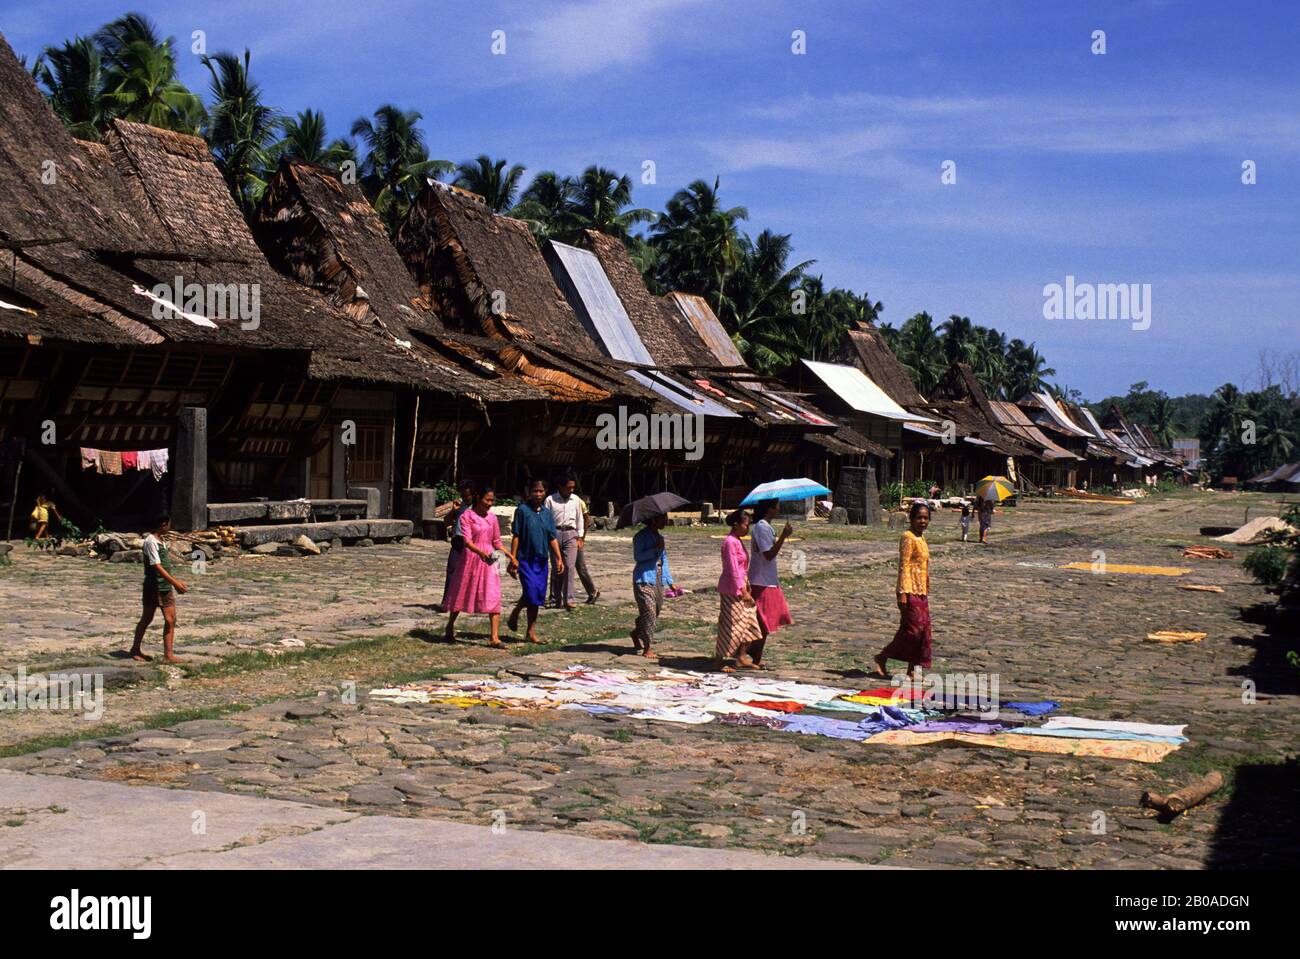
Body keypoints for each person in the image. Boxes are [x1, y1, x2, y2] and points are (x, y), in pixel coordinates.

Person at [443, 487, 516, 648]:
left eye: (492, 500)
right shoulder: (467, 516)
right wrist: (480, 552)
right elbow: (467, 541)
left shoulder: (492, 518)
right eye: (487, 500)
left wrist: (510, 556)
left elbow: (496, 542)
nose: (490, 504)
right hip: (471, 558)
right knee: (462, 591)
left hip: (490, 559)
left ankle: (494, 637)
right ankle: (450, 626)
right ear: (478, 498)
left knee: (493, 592)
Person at [873, 502, 932, 679]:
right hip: (909, 588)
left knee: (923, 631)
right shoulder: (908, 537)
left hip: (921, 590)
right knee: (912, 631)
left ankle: (913, 669)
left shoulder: (922, 538)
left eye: (926, 518)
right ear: (912, 519)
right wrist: (902, 592)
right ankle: (883, 656)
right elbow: (904, 565)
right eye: (919, 517)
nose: (922, 521)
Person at [507, 479, 564, 644]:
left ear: (545, 492)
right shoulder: (522, 511)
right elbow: (516, 535)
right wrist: (513, 558)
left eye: (541, 491)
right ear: (529, 492)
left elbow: (551, 537)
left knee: (537, 597)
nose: (538, 494)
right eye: (535, 491)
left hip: (542, 560)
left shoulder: (547, 513)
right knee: (531, 591)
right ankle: (517, 611)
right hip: (526, 559)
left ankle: (530, 631)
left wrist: (558, 558)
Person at [128, 514, 188, 664]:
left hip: (165, 587)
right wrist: (175, 582)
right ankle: (135, 649)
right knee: (147, 618)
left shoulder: (162, 541)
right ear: (163, 524)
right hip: (153, 586)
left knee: (171, 619)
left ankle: (169, 654)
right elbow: (156, 565)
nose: (170, 528)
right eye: (169, 524)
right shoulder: (150, 542)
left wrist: (172, 583)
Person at [713, 508, 762, 672]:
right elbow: (733, 569)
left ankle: (741, 656)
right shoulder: (729, 542)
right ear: (736, 525)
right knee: (731, 625)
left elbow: (742, 568)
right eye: (745, 524)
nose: (747, 528)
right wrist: (743, 590)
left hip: (742, 586)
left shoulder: (737, 540)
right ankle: (719, 659)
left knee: (749, 621)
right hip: (732, 589)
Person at [747, 499, 794, 668]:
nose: (779, 508)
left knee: (765, 620)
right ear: (771, 508)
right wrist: (783, 536)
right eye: (777, 505)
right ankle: (753, 652)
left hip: (767, 578)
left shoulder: (766, 527)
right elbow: (768, 555)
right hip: (761, 579)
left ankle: (755, 652)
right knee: (763, 621)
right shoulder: (762, 527)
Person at [630, 512, 668, 657]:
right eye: (662, 518)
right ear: (653, 520)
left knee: (655, 610)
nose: (665, 521)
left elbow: (664, 559)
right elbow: (638, 556)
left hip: (657, 578)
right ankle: (647, 646)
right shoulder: (640, 537)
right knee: (649, 612)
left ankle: (637, 632)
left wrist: (669, 581)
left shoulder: (660, 538)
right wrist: (654, 549)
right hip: (643, 578)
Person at [545, 474, 584, 610]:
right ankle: (555, 598)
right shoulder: (550, 500)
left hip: (571, 534)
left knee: (569, 566)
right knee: (557, 567)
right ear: (560, 487)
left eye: (573, 487)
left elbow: (580, 518)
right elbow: (546, 519)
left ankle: (569, 599)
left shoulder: (575, 500)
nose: (571, 490)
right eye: (568, 488)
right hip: (554, 534)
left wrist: (580, 537)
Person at [435, 480, 475, 613]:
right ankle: (447, 601)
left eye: (467, 495)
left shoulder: (476, 509)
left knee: (469, 574)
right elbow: (446, 522)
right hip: (457, 542)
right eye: (462, 495)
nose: (464, 498)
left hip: (471, 544)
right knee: (451, 571)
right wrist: (454, 511)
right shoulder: (460, 507)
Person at [573, 496, 600, 604]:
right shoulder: (556, 500)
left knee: (580, 566)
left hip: (576, 537)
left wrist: (582, 537)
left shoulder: (578, 501)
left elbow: (586, 519)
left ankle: (592, 591)